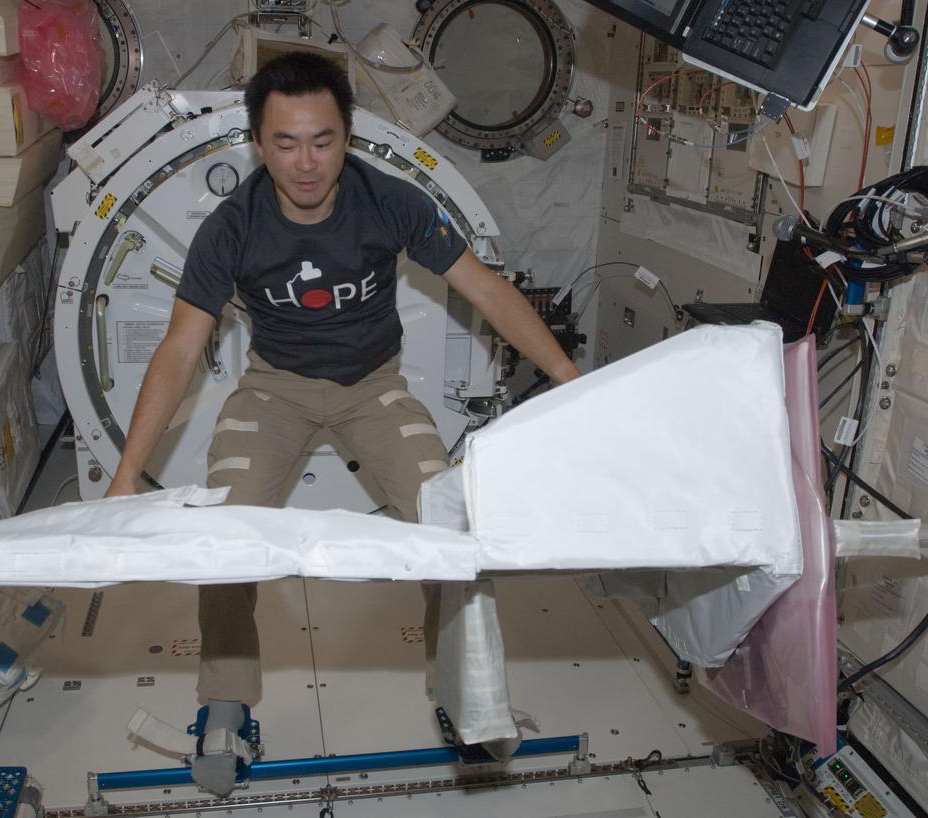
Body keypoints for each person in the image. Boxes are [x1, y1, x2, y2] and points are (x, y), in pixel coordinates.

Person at [105, 51, 579, 796]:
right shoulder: (231, 227)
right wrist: (127, 473)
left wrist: (571, 384)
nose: (306, 162)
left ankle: (466, 694)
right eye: (286, 142)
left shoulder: (389, 201)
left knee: (448, 525)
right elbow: (180, 349)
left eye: (322, 141)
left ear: (348, 136)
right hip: (275, 391)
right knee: (228, 532)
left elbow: (487, 291)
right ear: (257, 143)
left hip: (373, 387)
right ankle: (225, 705)